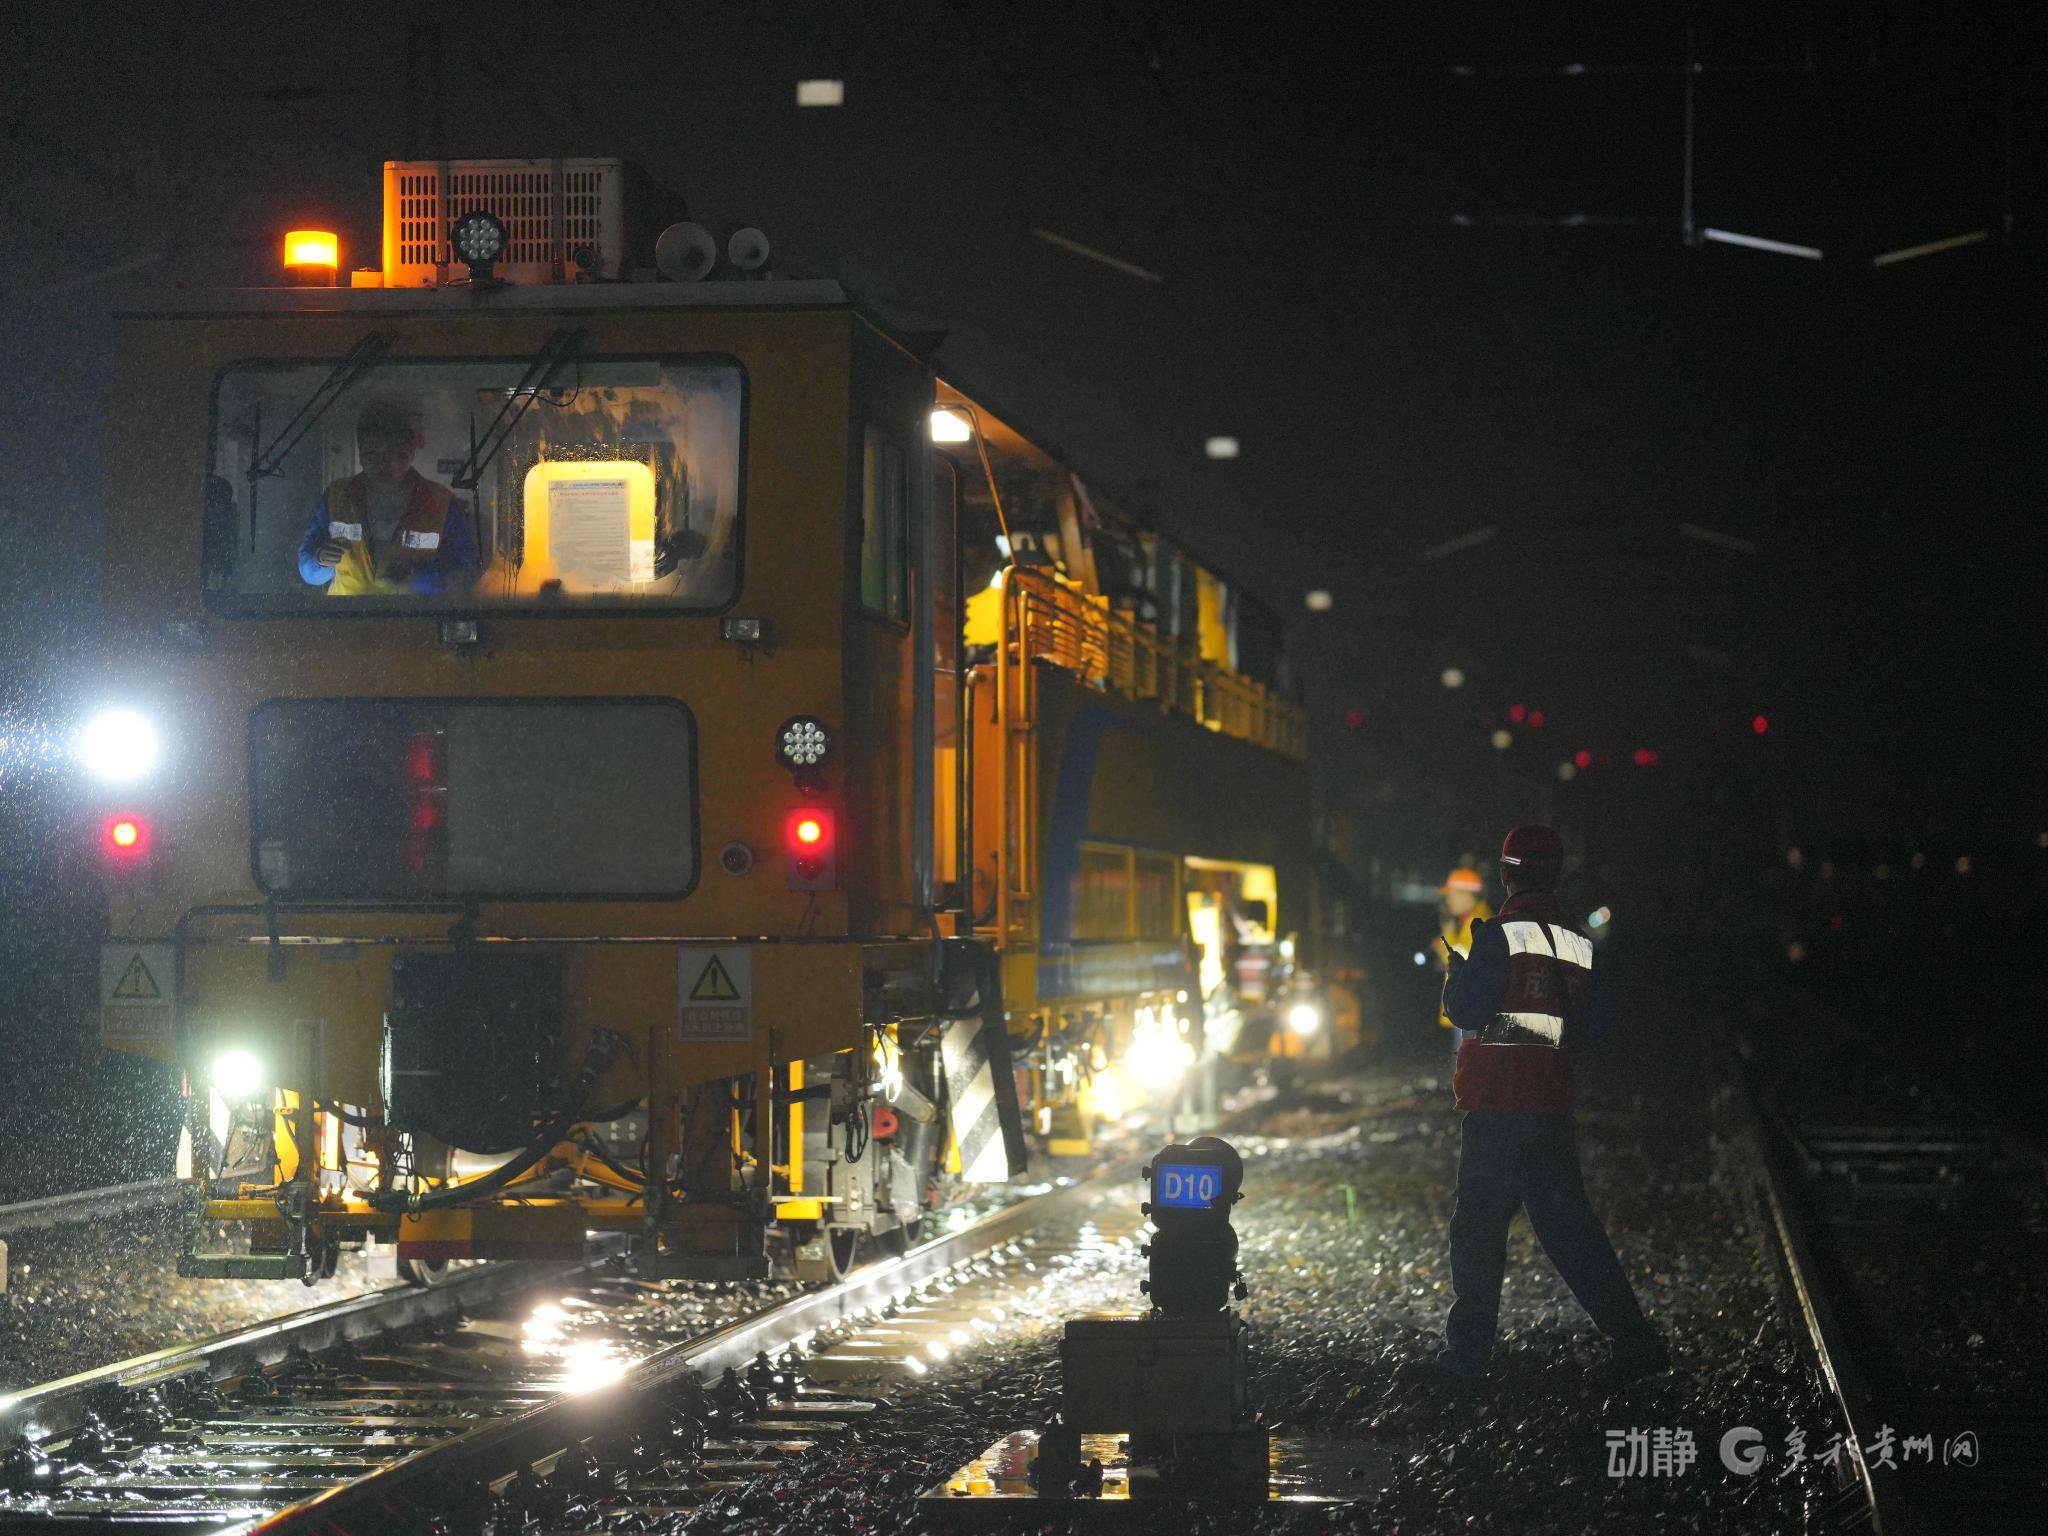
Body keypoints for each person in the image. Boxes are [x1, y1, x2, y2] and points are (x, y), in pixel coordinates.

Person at [1435, 825, 1668, 1381]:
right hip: (1548, 1109)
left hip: (1494, 1111)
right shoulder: (1577, 944)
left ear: (1506, 873)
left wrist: (1457, 977)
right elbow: (1588, 1032)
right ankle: (1637, 1344)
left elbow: (1467, 1012)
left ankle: (1468, 1357)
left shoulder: (1496, 936)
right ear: (1556, 874)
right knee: (1573, 1234)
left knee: (1478, 1232)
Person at [297, 397, 479, 596]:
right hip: (346, 620)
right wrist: (320, 560)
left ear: (411, 454)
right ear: (361, 454)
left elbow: (466, 570)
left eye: (396, 454)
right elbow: (308, 571)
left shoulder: (441, 503)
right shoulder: (336, 497)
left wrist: (418, 579)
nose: (384, 464)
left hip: (416, 621)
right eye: (372, 454)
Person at [1434, 866, 1493, 1039]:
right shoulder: (1472, 920)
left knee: (1464, 1064)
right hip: (1467, 1008)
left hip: (1469, 1009)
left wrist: (1447, 937)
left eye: (1451, 895)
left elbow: (1461, 960)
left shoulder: (1478, 922)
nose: (1448, 901)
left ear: (1467, 895)